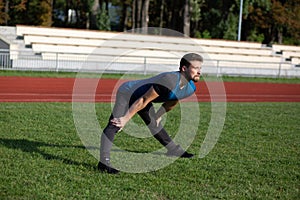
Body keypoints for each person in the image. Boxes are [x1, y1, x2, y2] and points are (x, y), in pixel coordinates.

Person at [98, 53, 203, 174]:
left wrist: (158, 116)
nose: (199, 71)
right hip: (127, 92)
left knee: (154, 124)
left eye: (200, 68)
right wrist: (125, 119)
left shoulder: (190, 87)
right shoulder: (170, 80)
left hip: (141, 97)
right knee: (116, 123)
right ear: (184, 68)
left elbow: (173, 101)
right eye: (196, 68)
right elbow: (143, 100)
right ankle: (103, 163)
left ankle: (173, 150)